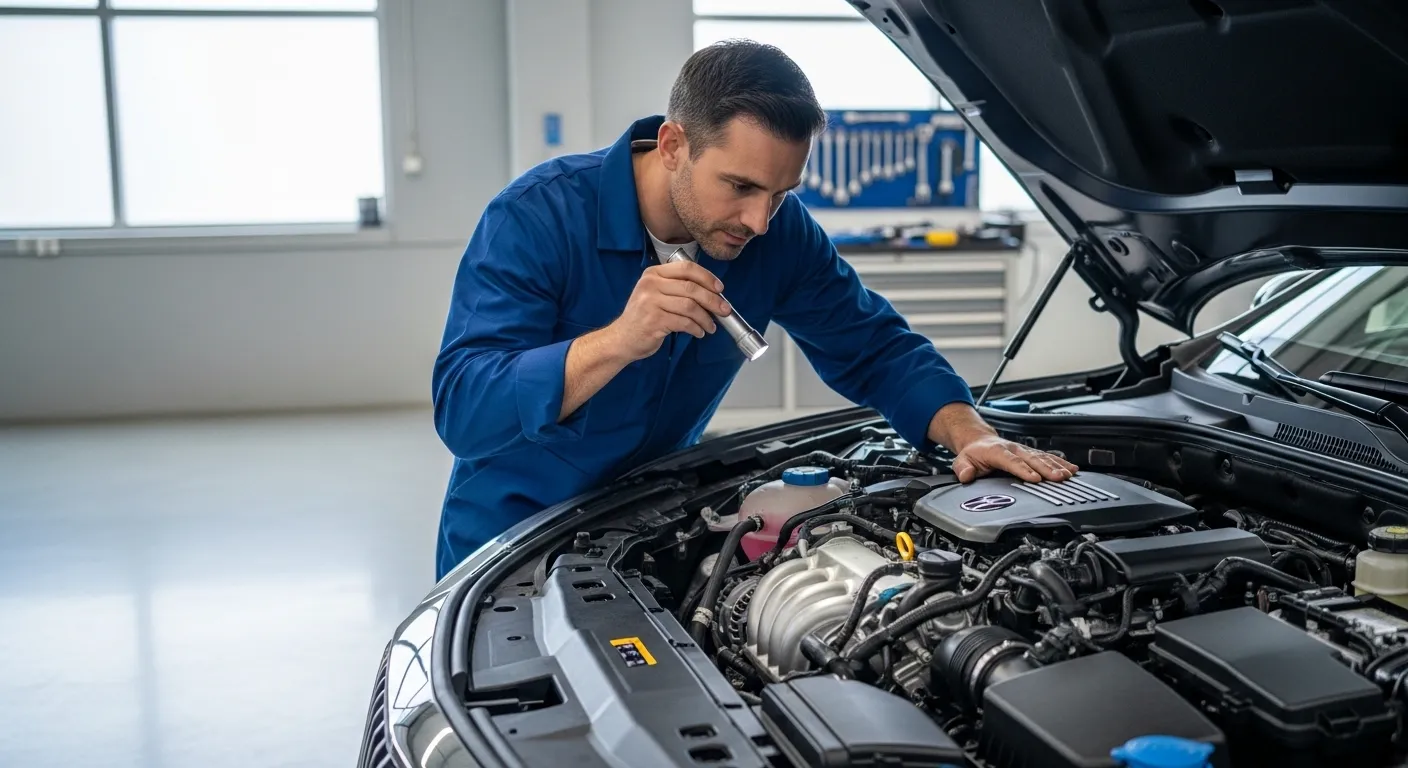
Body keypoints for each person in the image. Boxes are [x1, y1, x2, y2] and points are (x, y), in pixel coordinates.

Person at [430, 40, 1078, 580]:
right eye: (740, 187)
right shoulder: (536, 217)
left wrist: (972, 432)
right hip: (509, 546)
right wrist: (617, 341)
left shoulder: (777, 232)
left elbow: (875, 347)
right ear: (674, 144)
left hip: (644, 529)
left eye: (781, 191)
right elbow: (464, 409)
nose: (759, 221)